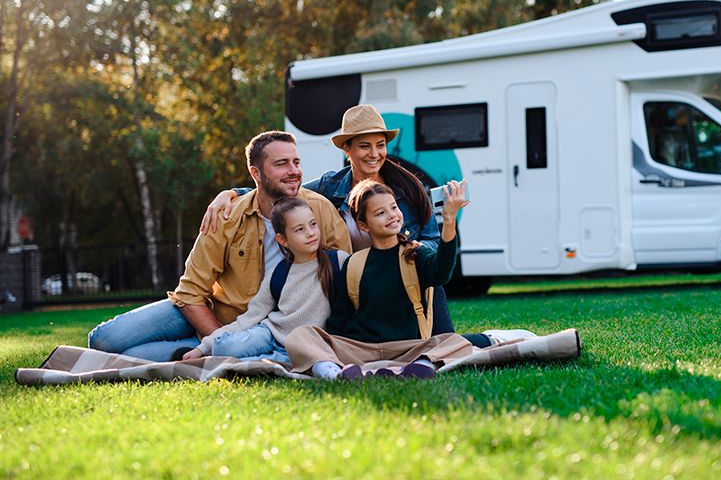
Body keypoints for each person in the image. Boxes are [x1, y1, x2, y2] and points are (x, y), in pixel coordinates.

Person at [201, 105, 533, 347]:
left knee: (443, 346)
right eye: (364, 146)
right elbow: (285, 192)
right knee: (370, 348)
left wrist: (406, 254)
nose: (374, 154)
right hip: (358, 284)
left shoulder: (408, 189)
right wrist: (231, 193)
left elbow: (431, 244)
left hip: (410, 279)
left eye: (380, 145)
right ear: (347, 150)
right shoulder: (330, 187)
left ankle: (494, 339)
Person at [87, 131, 351, 362]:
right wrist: (217, 341)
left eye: (296, 162)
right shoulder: (227, 215)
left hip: (265, 329)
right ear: (255, 173)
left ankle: (191, 349)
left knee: (127, 357)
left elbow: (345, 276)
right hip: (216, 315)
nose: (294, 171)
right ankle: (198, 345)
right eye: (282, 164)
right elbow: (190, 291)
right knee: (102, 341)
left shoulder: (319, 209)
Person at [287, 179, 474, 380]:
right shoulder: (354, 263)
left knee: (456, 342)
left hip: (409, 348)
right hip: (361, 349)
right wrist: (326, 345)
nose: (392, 215)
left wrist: (449, 220)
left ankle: (422, 365)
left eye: (393, 207)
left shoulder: (415, 254)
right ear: (363, 225)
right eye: (380, 213)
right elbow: (339, 318)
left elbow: (442, 271)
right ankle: (334, 374)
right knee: (300, 336)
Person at [179, 197, 350, 364]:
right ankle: (268, 359)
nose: (310, 233)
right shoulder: (279, 273)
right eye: (299, 229)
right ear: (282, 240)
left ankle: (270, 360)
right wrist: (202, 348)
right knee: (224, 347)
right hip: (270, 334)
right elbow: (249, 318)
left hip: (306, 342)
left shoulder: (338, 261)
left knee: (297, 354)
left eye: (313, 224)